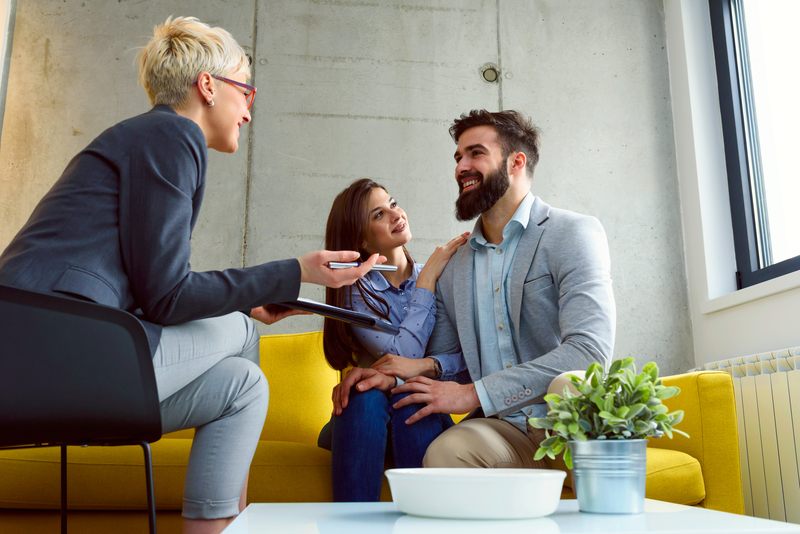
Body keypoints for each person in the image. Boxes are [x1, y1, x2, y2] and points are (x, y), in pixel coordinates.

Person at [0, 17, 380, 534]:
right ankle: (238, 523)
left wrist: (250, 297)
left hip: (51, 351)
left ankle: (217, 528)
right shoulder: (171, 133)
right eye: (246, 90)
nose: (248, 109)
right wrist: (294, 273)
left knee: (243, 384)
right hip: (52, 352)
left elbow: (153, 287)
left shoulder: (144, 138)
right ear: (208, 86)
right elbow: (167, 297)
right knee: (243, 334)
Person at [335, 109, 616, 471]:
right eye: (458, 157)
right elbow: (448, 365)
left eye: (476, 153)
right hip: (503, 430)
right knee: (443, 453)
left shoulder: (572, 233)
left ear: (516, 163)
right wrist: (390, 372)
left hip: (568, 421)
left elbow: (589, 352)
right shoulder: (454, 268)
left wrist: (473, 394)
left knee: (572, 384)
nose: (461, 166)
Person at [319, 178, 470, 501]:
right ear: (361, 240)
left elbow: (469, 358)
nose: (395, 213)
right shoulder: (356, 291)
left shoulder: (443, 276)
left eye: (392, 203)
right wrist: (426, 281)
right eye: (378, 215)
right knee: (365, 395)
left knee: (410, 397)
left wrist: (428, 367)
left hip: (416, 409)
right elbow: (404, 354)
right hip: (366, 418)